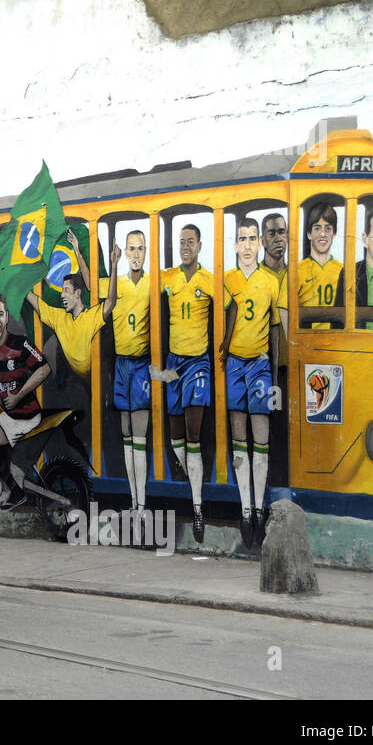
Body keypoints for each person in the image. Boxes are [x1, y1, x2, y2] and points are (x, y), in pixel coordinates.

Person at [219, 218, 286, 547]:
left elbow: (275, 332)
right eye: (240, 239)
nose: (246, 245)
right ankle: (245, 510)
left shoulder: (270, 282)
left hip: (259, 367)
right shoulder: (227, 281)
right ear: (234, 245)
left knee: (262, 442)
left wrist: (274, 378)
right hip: (233, 365)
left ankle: (259, 511)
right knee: (239, 442)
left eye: (250, 239)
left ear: (259, 243)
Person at [0, 294, 53, 494]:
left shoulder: (20, 344)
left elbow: (44, 369)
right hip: (10, 417)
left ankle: (14, 493)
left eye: (0, 314)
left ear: (6, 318)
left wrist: (18, 395)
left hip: (27, 415)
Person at [162, 223, 213, 542]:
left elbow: (229, 306)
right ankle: (187, 474)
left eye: (190, 242)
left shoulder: (209, 280)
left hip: (198, 363)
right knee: (175, 434)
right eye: (181, 242)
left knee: (194, 435)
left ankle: (197, 508)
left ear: (199, 246)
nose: (185, 247)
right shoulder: (168, 277)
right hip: (173, 364)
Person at [24, 230, 121, 387]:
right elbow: (35, 301)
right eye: (62, 290)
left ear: (78, 293)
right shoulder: (58, 317)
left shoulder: (91, 316)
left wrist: (115, 265)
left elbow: (110, 301)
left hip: (99, 380)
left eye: (66, 291)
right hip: (77, 381)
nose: (62, 295)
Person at [108, 230, 151, 514]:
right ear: (125, 251)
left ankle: (142, 504)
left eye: (140, 249)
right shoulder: (118, 283)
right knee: (126, 432)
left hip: (142, 364)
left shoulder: (152, 283)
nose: (136, 254)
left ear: (146, 252)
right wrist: (112, 266)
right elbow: (103, 298)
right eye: (131, 249)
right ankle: (134, 501)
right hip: (121, 364)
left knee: (139, 436)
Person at [297, 201, 344, 329]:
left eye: (328, 228)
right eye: (317, 228)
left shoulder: (343, 271)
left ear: (334, 233)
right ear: (309, 234)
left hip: (335, 341)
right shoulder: (297, 271)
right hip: (306, 341)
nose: (323, 234)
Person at [260, 212, 288, 286]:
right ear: (262, 241)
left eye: (281, 232)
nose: (278, 239)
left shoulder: (293, 274)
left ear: (287, 238)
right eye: (271, 234)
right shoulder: (255, 274)